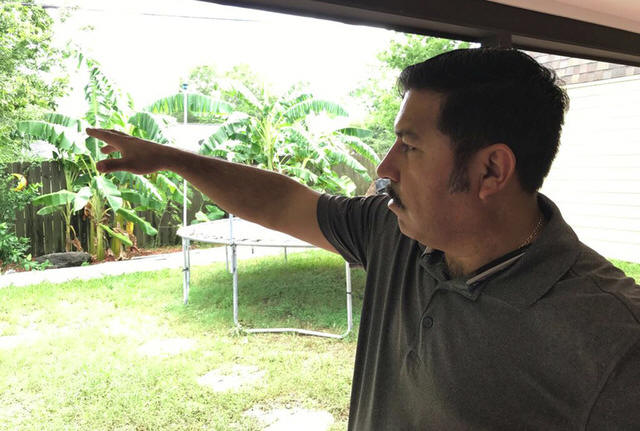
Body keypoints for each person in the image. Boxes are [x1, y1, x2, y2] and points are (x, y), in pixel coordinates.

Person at [87, 48, 640, 430]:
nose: (384, 167)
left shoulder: (611, 340)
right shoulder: (394, 232)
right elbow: (283, 203)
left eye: (410, 147)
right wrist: (171, 158)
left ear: (491, 171)